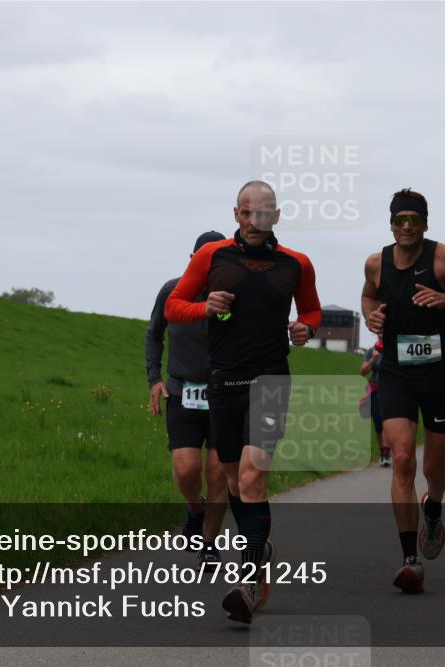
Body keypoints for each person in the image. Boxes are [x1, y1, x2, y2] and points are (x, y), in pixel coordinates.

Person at [165, 181, 321, 624]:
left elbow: (311, 311)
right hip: (222, 382)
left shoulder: (296, 263)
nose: (257, 221)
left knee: (252, 477)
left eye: (265, 213)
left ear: (276, 215)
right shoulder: (211, 258)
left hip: (270, 380)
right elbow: (175, 306)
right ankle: (259, 545)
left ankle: (249, 579)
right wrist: (205, 307)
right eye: (249, 213)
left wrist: (305, 329)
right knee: (234, 481)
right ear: (237, 214)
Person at [361, 188, 445, 594]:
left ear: (424, 223)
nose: (406, 226)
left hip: (439, 375)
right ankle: (409, 559)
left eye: (413, 220)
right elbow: (368, 297)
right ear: (390, 223)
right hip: (397, 371)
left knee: (433, 469)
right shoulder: (375, 263)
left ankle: (433, 507)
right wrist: (372, 317)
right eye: (399, 219)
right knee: (402, 458)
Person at [147, 231, 228, 565]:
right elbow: (154, 334)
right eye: (202, 260)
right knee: (185, 469)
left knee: (217, 472)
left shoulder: (234, 298)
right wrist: (155, 379)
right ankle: (196, 511)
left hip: (225, 394)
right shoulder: (172, 291)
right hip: (182, 392)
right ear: (192, 259)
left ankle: (209, 544)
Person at [361, 339, 389, 467]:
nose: (381, 333)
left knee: (387, 423)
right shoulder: (372, 351)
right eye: (379, 331)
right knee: (378, 423)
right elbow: (362, 371)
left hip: (391, 390)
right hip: (376, 390)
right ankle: (382, 452)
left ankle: (386, 453)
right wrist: (373, 359)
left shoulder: (394, 348)